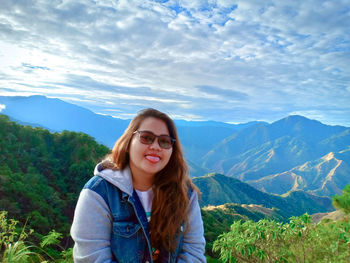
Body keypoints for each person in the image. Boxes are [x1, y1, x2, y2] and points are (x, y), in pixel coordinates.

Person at [71, 108, 206, 263]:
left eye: (165, 141)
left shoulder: (185, 194)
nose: (156, 146)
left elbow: (194, 253)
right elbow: (92, 258)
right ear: (128, 142)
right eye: (147, 138)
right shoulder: (99, 193)